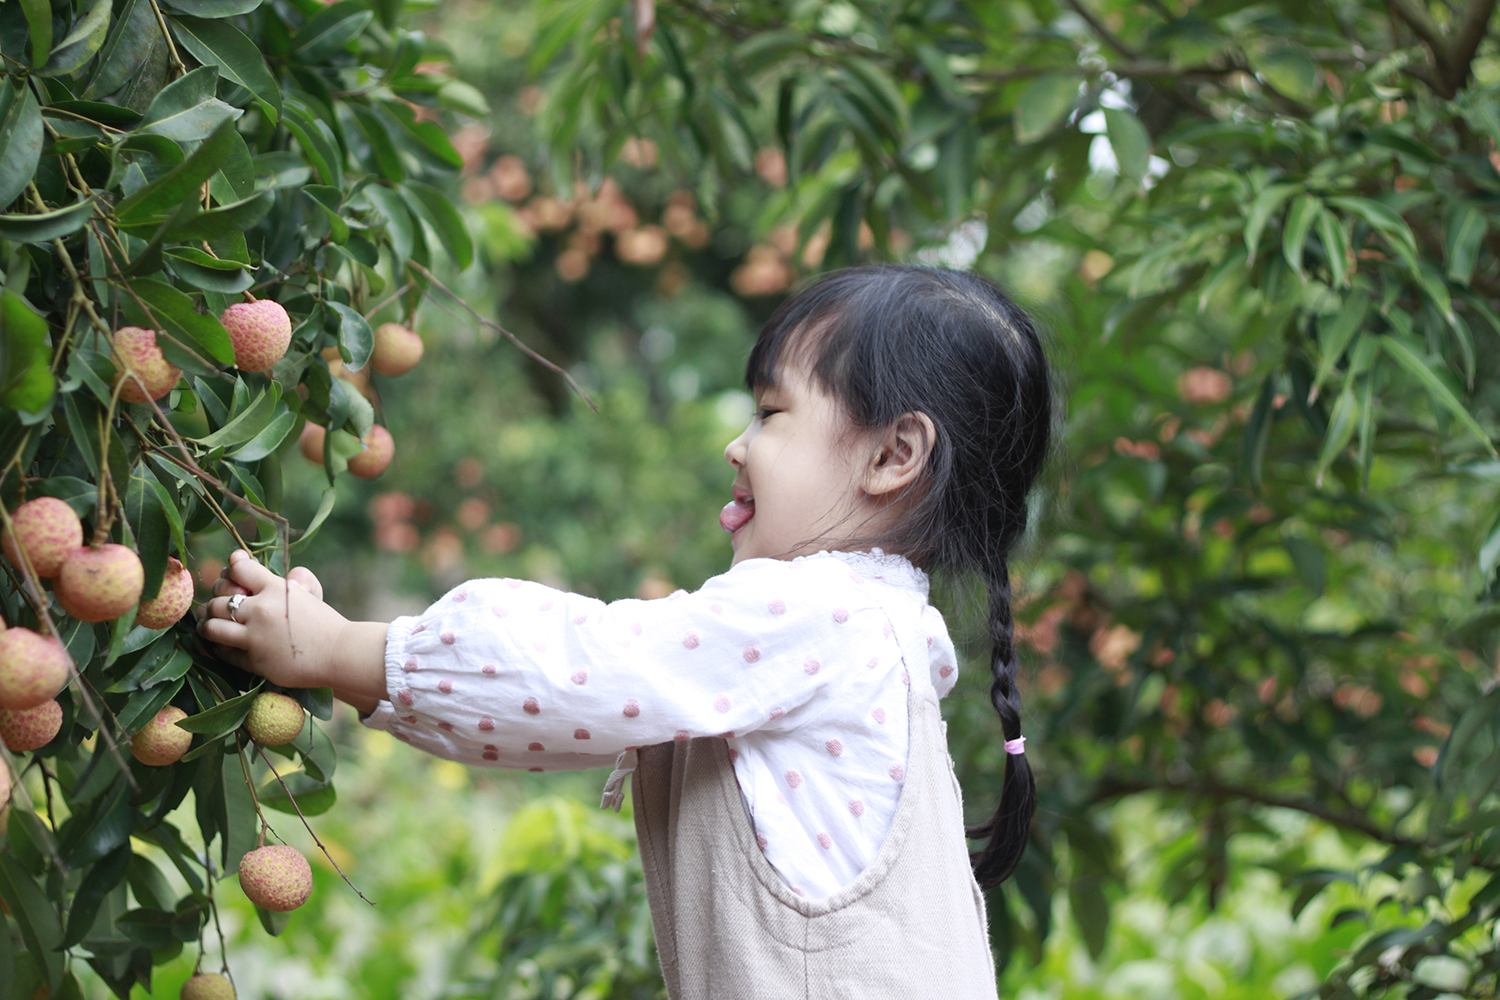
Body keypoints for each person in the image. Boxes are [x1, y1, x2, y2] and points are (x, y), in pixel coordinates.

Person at [197, 264, 1053, 999]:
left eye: (769, 412)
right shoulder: (872, 635)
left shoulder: (823, 618)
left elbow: (577, 671)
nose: (735, 442)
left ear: (894, 455)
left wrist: (340, 649)